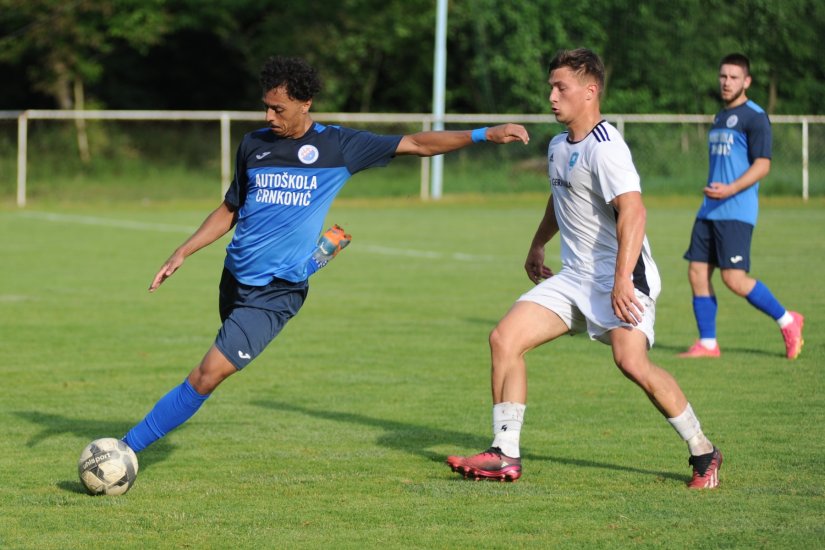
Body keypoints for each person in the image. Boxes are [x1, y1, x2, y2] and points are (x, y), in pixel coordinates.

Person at [121, 56, 530, 456]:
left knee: (207, 374)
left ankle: (126, 449)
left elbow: (417, 143)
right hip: (234, 278)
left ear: (305, 104)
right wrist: (184, 251)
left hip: (276, 293)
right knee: (216, 360)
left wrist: (482, 135)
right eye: (265, 106)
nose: (268, 116)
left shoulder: (339, 146)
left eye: (277, 108)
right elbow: (231, 208)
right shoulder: (254, 144)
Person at [446, 48, 722, 489]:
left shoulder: (606, 148)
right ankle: (505, 453)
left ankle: (703, 451)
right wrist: (538, 244)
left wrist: (619, 282)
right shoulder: (558, 146)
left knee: (631, 363)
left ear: (590, 92)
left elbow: (634, 212)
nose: (552, 96)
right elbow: (561, 200)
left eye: (562, 88)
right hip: (574, 277)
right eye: (551, 87)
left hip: (623, 276)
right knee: (504, 339)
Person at [679, 53, 804, 360]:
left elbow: (763, 165)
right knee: (697, 272)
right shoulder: (720, 117)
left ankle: (788, 321)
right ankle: (708, 344)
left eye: (734, 77)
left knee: (733, 278)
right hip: (710, 208)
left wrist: (731, 188)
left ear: (746, 81)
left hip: (736, 210)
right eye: (723, 76)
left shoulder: (755, 117)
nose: (726, 82)